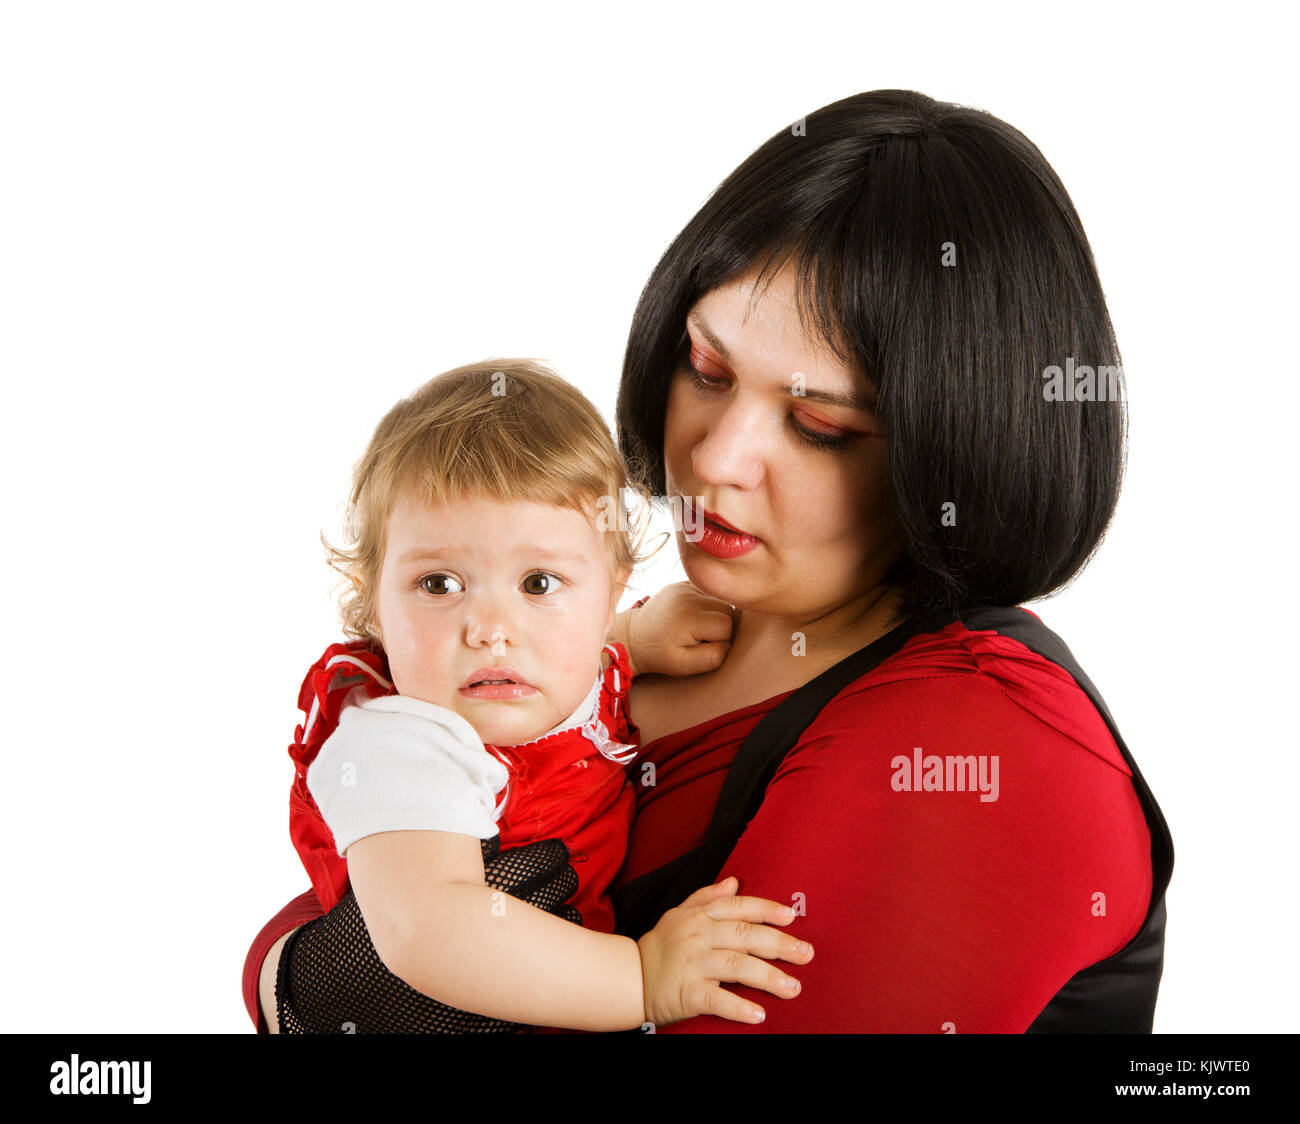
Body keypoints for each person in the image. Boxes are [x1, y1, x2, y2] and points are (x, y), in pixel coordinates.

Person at [243, 89, 1173, 1033]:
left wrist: (298, 978)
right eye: (707, 369)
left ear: (952, 453)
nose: (717, 457)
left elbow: (351, 955)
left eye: (818, 424)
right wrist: (301, 970)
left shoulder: (986, 741)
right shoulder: (615, 649)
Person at [269, 357, 812, 1034]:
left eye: (539, 584)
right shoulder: (401, 743)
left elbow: (582, 647)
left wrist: (635, 638)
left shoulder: (568, 669)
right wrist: (641, 979)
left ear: (612, 585)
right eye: (439, 584)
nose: (493, 632)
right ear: (371, 601)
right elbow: (429, 928)